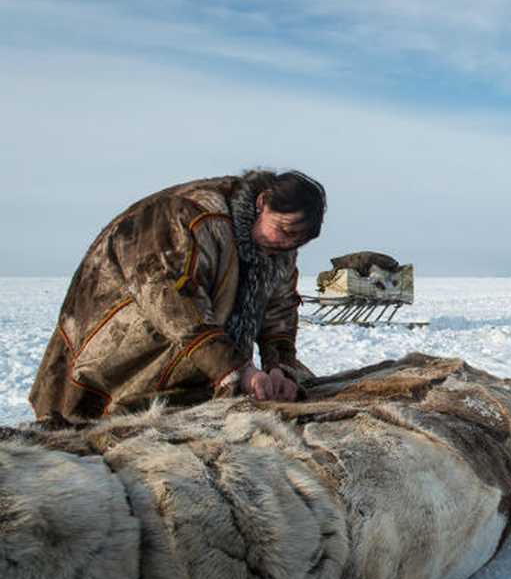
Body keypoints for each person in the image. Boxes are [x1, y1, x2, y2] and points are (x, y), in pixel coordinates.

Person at [29, 168, 326, 426]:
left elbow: (279, 310)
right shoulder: (191, 215)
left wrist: (280, 368)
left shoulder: (279, 248)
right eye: (284, 231)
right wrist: (234, 368)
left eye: (298, 241)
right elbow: (172, 300)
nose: (288, 245)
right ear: (262, 203)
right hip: (118, 356)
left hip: (188, 374)